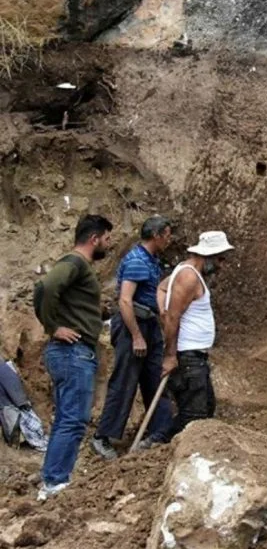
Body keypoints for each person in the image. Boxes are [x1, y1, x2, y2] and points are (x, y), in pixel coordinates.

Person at [35, 214, 113, 500]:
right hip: (73, 353)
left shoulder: (79, 266)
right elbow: (45, 287)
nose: (108, 244)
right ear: (94, 239)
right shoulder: (75, 263)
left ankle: (52, 479)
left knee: (66, 418)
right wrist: (53, 327)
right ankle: (55, 481)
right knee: (73, 419)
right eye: (106, 238)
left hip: (72, 353)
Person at [91, 216, 174, 459]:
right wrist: (136, 336)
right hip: (133, 324)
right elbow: (125, 300)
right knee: (125, 380)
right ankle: (103, 436)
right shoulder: (137, 260)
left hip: (149, 322)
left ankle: (161, 431)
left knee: (154, 376)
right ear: (156, 235)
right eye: (167, 234)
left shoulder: (152, 260)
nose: (169, 239)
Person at [158, 230, 235, 435]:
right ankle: (157, 444)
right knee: (194, 415)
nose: (222, 265)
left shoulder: (188, 272)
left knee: (206, 407)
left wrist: (163, 311)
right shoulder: (188, 277)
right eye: (220, 259)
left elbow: (162, 289)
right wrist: (170, 355)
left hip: (194, 355)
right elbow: (174, 316)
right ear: (208, 256)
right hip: (188, 356)